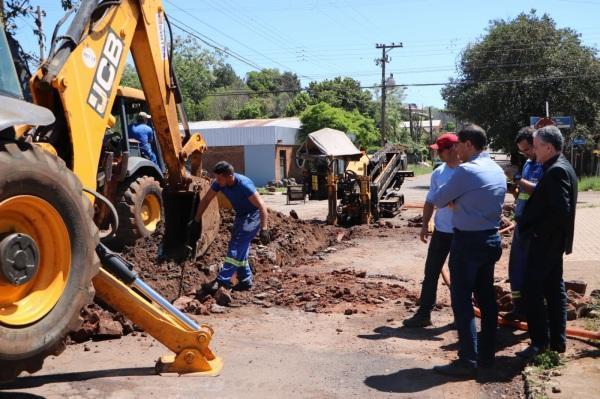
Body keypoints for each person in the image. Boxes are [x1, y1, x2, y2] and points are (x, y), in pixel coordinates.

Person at [429, 124, 506, 378]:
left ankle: (467, 360)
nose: (456, 150)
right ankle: (486, 356)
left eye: (459, 145)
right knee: (486, 298)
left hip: (468, 243)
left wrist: (456, 200)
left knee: (461, 301)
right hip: (491, 240)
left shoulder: (465, 171)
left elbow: (439, 200)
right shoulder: (496, 169)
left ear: (469, 145)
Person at [516, 125, 577, 359]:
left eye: (537, 146)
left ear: (548, 147)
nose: (534, 150)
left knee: (532, 291)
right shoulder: (559, 166)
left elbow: (560, 211)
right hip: (552, 243)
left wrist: (537, 234)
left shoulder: (556, 171)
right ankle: (557, 342)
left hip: (545, 244)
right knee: (553, 289)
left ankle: (539, 343)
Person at [403, 133, 460, 328]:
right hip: (442, 231)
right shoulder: (439, 172)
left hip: (463, 232)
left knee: (460, 275)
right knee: (431, 272)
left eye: (440, 151)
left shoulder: (466, 171)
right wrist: (425, 224)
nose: (438, 155)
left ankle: (461, 316)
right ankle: (424, 313)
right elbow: (429, 200)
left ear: (452, 149)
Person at [193, 161, 270, 292]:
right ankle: (245, 281)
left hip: (253, 216)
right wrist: (196, 219)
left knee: (235, 247)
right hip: (241, 215)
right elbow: (206, 199)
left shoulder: (244, 184)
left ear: (229, 176)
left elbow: (261, 206)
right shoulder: (219, 183)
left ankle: (223, 281)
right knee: (240, 248)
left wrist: (264, 229)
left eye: (219, 178)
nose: (216, 181)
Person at [505, 127, 544, 321]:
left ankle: (535, 312)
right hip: (522, 223)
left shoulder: (547, 166)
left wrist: (521, 182)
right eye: (522, 151)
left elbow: (542, 191)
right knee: (516, 268)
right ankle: (518, 307)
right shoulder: (529, 164)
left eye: (528, 149)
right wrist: (514, 189)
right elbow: (522, 194)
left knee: (532, 271)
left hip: (536, 228)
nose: (526, 154)